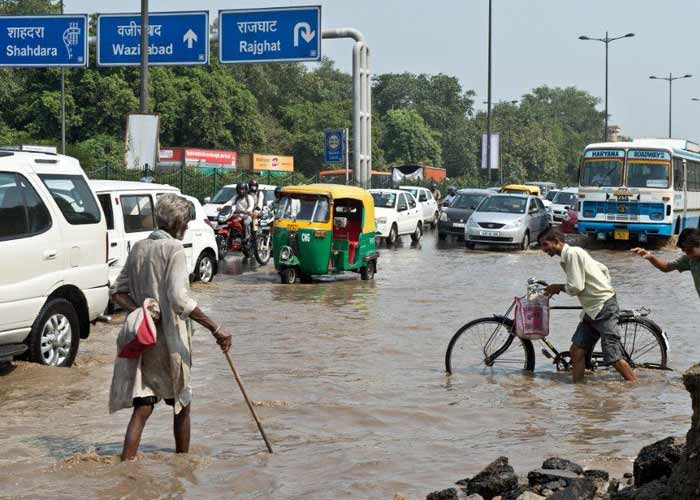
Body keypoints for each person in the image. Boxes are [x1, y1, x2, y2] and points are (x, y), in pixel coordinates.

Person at [109, 193, 232, 461]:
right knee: (182, 405)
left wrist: (141, 313)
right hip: (171, 342)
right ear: (177, 223)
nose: (187, 228)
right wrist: (215, 327)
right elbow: (179, 299)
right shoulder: (174, 249)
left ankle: (126, 468)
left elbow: (117, 291)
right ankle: (182, 467)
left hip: (144, 339)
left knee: (142, 408)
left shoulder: (139, 247)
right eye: (186, 223)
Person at [538, 227, 637, 383]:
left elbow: (576, 286)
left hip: (603, 307)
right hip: (592, 309)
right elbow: (602, 269)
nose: (543, 250)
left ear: (556, 242)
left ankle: (634, 386)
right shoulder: (573, 254)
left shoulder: (572, 254)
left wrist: (557, 287)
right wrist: (601, 287)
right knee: (576, 351)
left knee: (612, 356)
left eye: (545, 245)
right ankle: (578, 392)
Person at [631, 228, 700, 299]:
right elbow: (667, 267)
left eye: (690, 251)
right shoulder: (689, 259)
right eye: (685, 251)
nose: (689, 255)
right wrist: (651, 258)